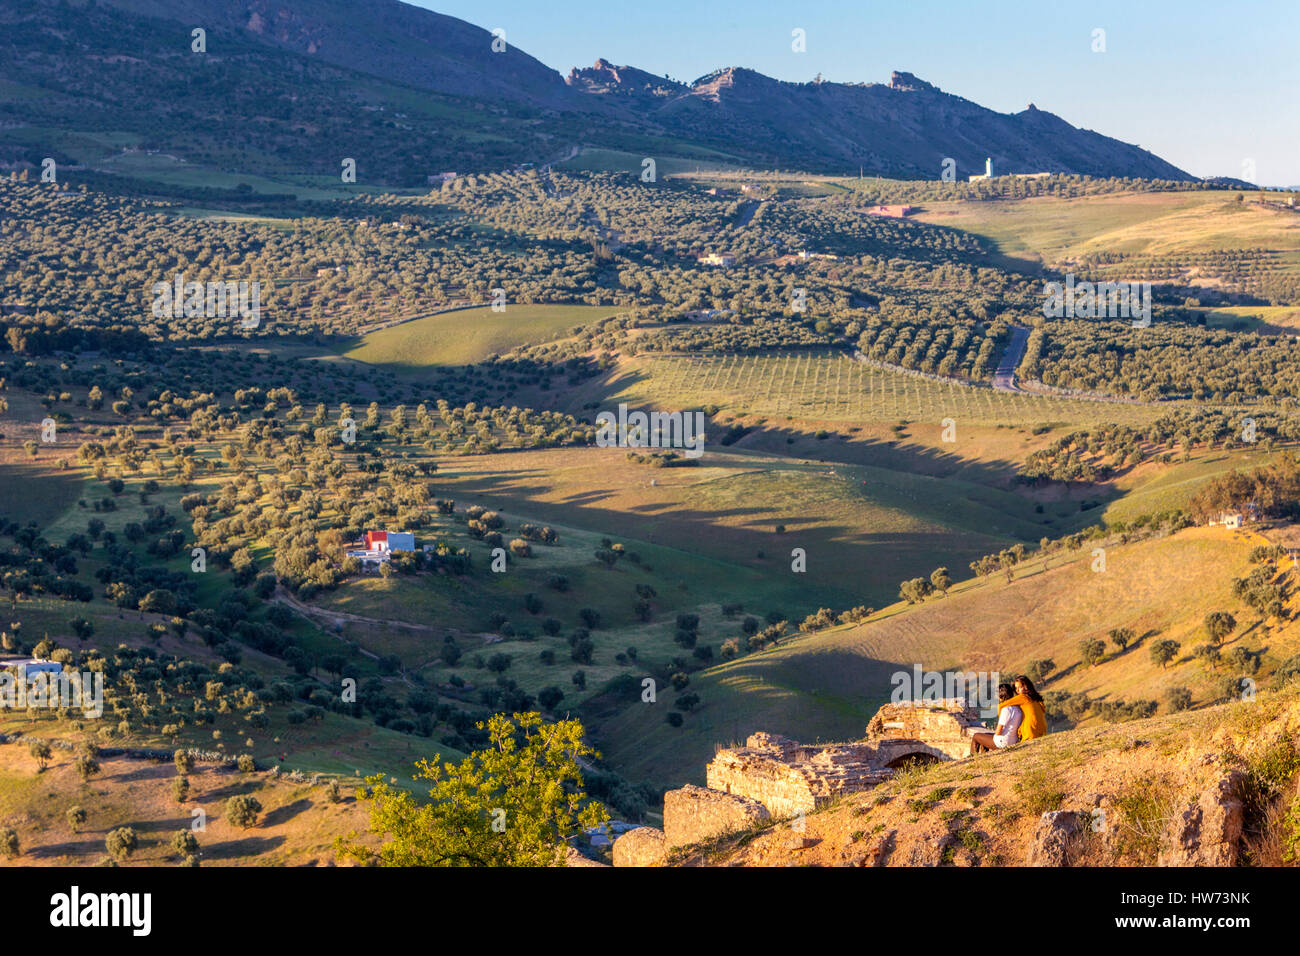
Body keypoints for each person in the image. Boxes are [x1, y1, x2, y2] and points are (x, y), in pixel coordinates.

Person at [970, 683, 1021, 754]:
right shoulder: (1017, 708)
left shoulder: (1006, 709)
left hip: (1004, 742)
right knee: (985, 735)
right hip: (1013, 740)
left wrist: (995, 734)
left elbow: (998, 732)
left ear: (1000, 695)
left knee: (976, 736)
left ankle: (972, 758)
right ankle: (983, 757)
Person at [1001, 675, 1047, 742]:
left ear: (1026, 687)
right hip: (1042, 731)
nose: (1017, 690)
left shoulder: (1023, 697)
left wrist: (1001, 718)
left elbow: (1003, 705)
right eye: (1016, 688)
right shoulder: (1037, 699)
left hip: (1031, 732)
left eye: (1020, 687)